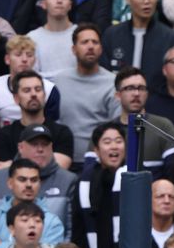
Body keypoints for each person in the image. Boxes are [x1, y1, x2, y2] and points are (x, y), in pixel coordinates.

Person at [51, 24, 122, 165]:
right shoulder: (59, 81)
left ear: (101, 49)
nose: (90, 47)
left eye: (95, 42)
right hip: (63, 160)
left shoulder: (113, 83)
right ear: (74, 49)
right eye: (84, 42)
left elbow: (117, 127)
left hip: (101, 163)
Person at [28, 0, 76, 79]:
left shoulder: (81, 35)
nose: (59, 1)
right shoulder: (32, 38)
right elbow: (31, 76)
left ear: (70, 5)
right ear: (43, 4)